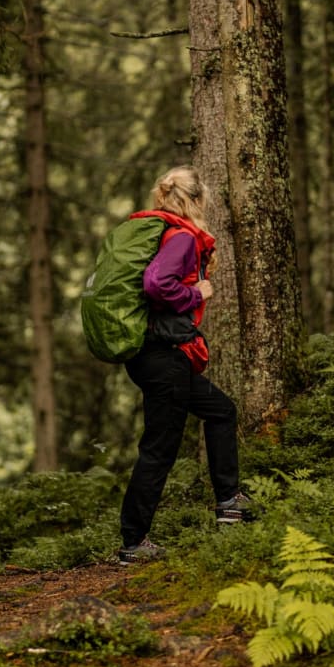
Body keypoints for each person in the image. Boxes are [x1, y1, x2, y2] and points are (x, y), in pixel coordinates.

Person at [118, 165, 253, 565]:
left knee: (221, 411)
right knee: (159, 449)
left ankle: (229, 502)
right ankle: (133, 542)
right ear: (194, 201)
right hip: (164, 357)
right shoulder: (179, 237)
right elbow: (156, 284)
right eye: (203, 199)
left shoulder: (162, 232)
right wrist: (195, 292)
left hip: (154, 356)